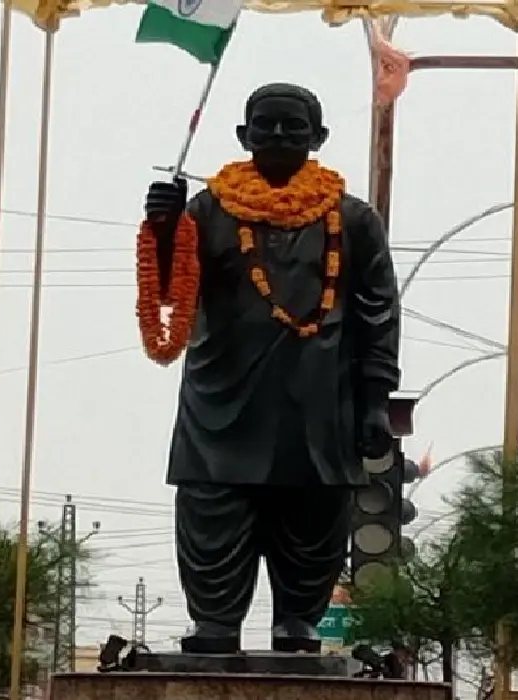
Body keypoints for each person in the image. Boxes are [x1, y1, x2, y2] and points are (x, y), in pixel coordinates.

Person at [138, 82, 402, 655]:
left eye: (293, 127)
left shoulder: (353, 220)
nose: (279, 135)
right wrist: (163, 230)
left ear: (319, 138)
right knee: (213, 508)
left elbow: (378, 312)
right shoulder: (206, 211)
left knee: (311, 514)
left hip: (320, 397)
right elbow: (168, 290)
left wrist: (376, 398)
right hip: (222, 396)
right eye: (266, 126)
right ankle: (214, 620)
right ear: (243, 136)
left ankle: (298, 620)